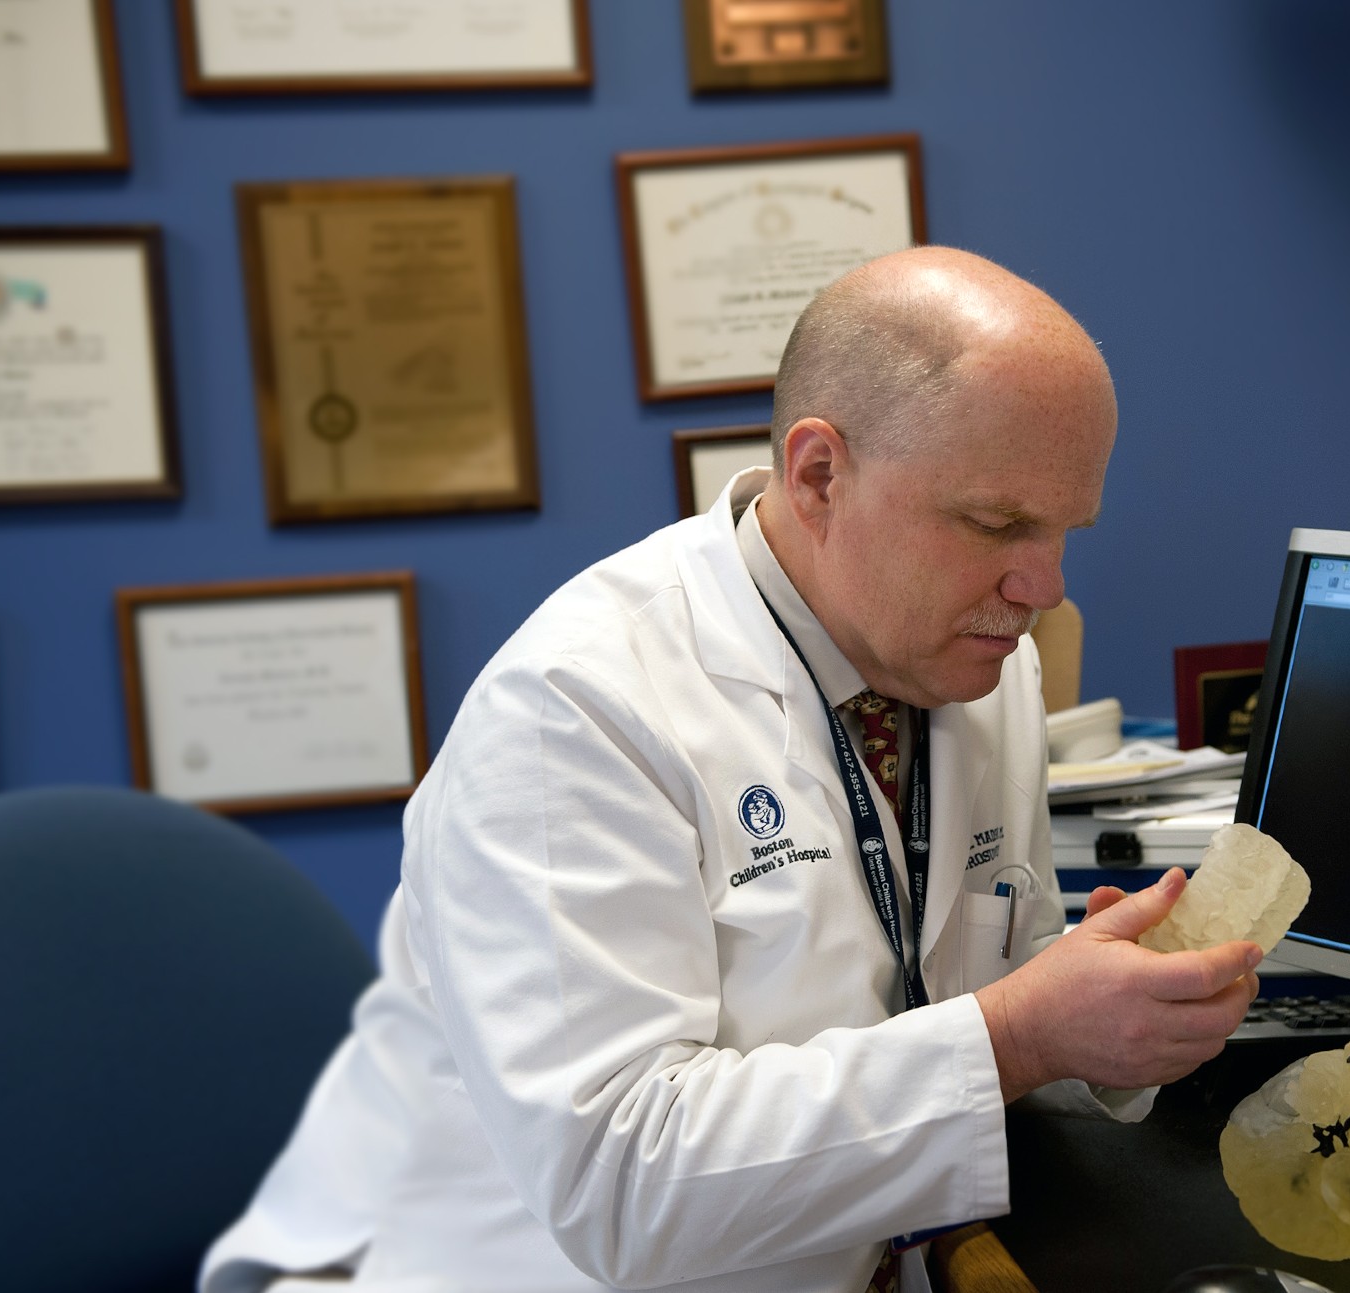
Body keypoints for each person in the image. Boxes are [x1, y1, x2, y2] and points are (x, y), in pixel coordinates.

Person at [201, 247, 1262, 1293]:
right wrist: (1019, 1034)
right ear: (819, 476)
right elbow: (617, 1183)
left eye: (1066, 531)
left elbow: (972, 994)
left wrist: (1106, 1024)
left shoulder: (980, 664)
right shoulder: (577, 707)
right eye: (996, 524)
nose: (1043, 586)